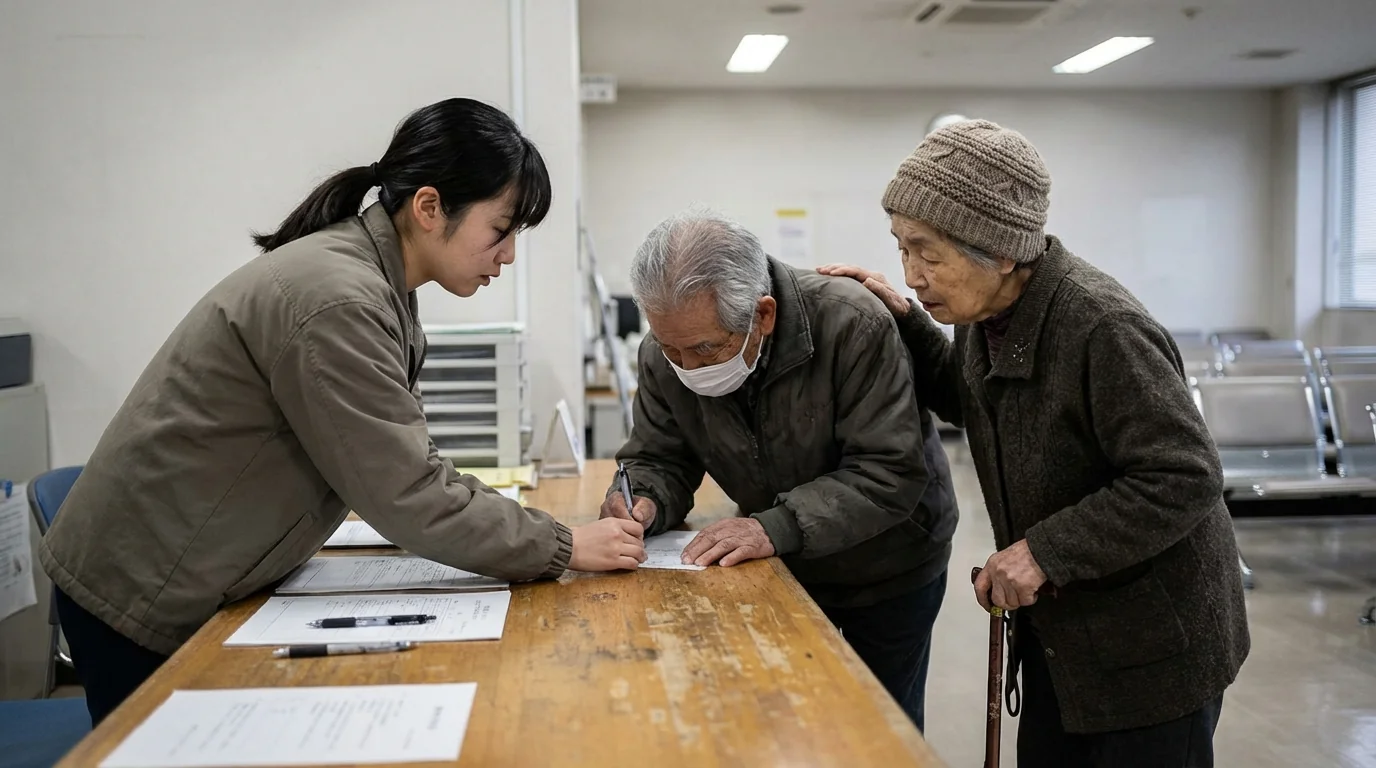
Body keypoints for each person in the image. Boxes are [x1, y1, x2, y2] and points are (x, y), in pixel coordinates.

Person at [39, 98, 646, 726]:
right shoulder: (339, 298)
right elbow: (407, 490)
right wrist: (564, 544)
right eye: (501, 229)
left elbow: (397, 463)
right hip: (144, 589)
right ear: (430, 208)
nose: (509, 254)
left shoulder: (373, 279)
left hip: (185, 568)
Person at [820, 119, 1249, 767]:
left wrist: (1045, 552)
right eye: (900, 247)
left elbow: (1183, 477)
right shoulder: (988, 311)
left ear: (998, 248)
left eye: (927, 251)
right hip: (1065, 637)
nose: (911, 273)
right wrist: (904, 323)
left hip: (1150, 645)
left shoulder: (1103, 328)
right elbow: (975, 403)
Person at [600, 207, 958, 731]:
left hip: (889, 562)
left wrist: (773, 526)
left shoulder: (852, 323)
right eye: (672, 349)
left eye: (705, 349)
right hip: (780, 567)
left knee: (881, 728)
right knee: (781, 719)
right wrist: (644, 499)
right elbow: (659, 455)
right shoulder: (666, 349)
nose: (688, 367)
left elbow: (888, 473)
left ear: (763, 315)